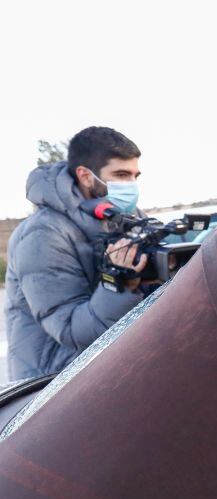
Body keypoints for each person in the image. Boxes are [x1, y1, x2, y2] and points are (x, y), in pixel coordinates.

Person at [5, 127, 149, 381]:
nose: (131, 186)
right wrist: (120, 281)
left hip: (105, 368)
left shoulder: (127, 218)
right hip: (52, 385)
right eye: (121, 175)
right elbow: (72, 330)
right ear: (85, 175)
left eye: (135, 175)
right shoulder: (43, 234)